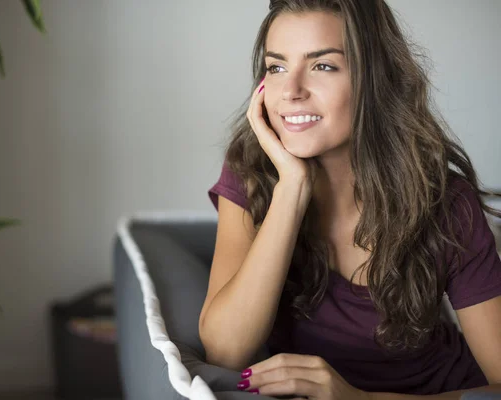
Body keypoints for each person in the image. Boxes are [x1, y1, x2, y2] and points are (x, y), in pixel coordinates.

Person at [198, 0, 501, 398]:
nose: (291, 91)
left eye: (323, 66)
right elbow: (225, 351)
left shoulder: (446, 201)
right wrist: (292, 187)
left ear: (373, 80)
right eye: (276, 67)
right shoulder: (251, 174)